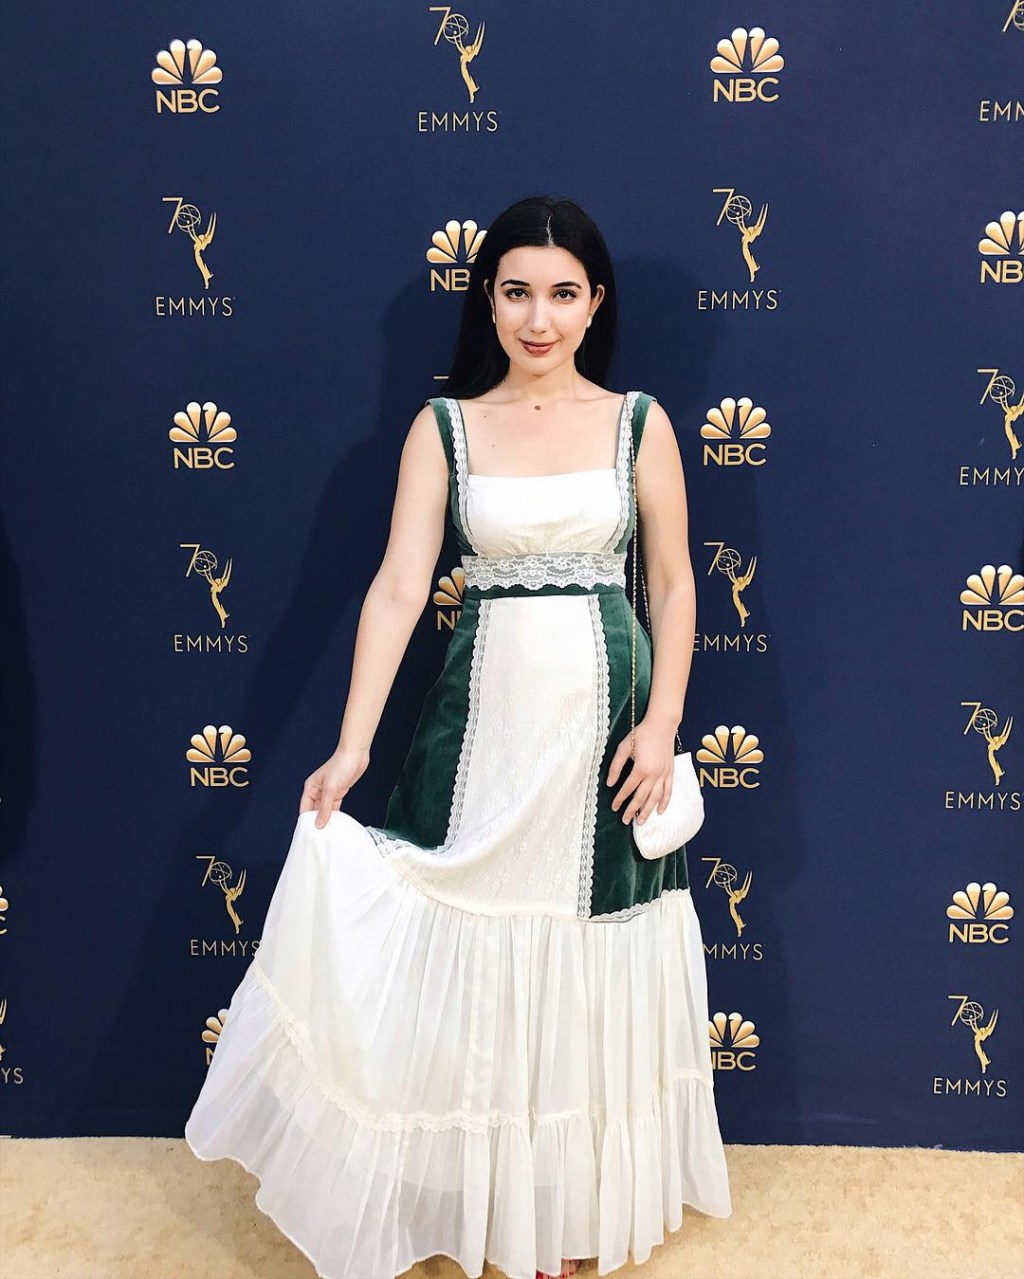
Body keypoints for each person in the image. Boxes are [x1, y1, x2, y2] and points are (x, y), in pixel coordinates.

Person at [185, 194, 732, 1279]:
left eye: (562, 294)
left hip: (604, 742)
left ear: (594, 303)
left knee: (582, 953)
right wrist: (350, 745)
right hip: (478, 731)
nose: (540, 318)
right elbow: (395, 588)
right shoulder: (445, 426)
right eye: (518, 292)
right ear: (489, 300)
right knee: (467, 935)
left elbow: (672, 585)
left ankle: (567, 1218)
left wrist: (664, 721)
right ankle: (480, 1206)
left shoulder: (639, 423)